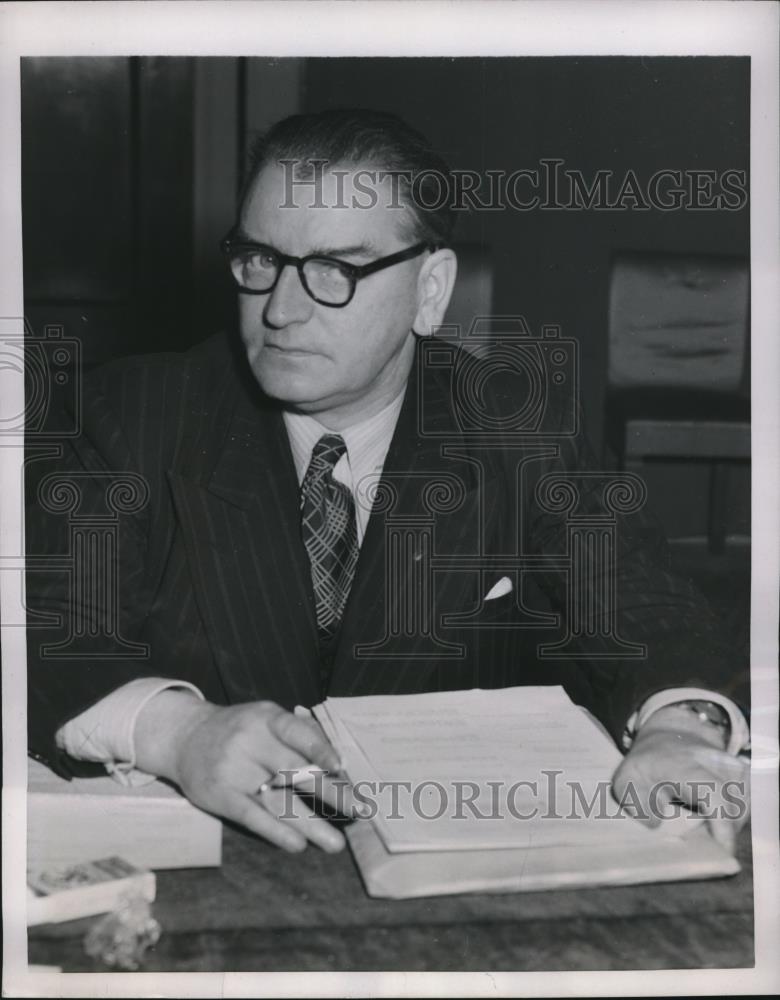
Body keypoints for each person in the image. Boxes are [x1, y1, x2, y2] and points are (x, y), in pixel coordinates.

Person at [26, 108, 749, 858]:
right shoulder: (131, 414)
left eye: (335, 270)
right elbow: (43, 629)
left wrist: (678, 725)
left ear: (430, 291)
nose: (280, 308)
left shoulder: (517, 428)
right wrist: (179, 734)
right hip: (207, 860)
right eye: (258, 259)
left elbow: (649, 604)